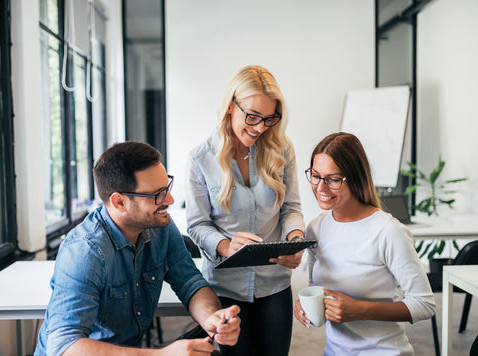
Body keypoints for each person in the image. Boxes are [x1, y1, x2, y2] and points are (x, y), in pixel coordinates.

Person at [35, 141, 240, 356]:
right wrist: (161, 355)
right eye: (157, 194)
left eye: (167, 188)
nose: (169, 200)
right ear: (119, 202)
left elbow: (190, 282)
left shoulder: (160, 226)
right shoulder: (84, 252)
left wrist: (211, 317)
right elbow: (64, 347)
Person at [186, 65, 305, 356]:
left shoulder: (282, 149)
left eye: (269, 118)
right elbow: (197, 225)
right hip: (225, 288)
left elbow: (290, 207)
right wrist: (226, 246)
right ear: (230, 107)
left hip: (274, 284)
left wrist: (295, 238)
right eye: (252, 116)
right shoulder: (200, 158)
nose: (260, 127)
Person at [294, 132, 436, 355]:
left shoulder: (388, 231)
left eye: (333, 179)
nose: (320, 188)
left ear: (356, 178)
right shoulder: (315, 228)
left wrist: (359, 310)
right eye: (315, 175)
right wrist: (305, 304)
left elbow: (424, 304)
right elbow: (318, 287)